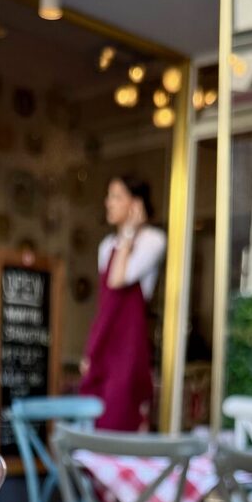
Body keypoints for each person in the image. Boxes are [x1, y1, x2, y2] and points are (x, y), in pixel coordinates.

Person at [79, 175, 167, 431]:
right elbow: (105, 303)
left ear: (135, 204)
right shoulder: (107, 245)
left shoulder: (153, 240)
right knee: (94, 415)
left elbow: (118, 279)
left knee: (120, 415)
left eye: (116, 196)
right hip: (104, 339)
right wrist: (91, 348)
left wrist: (128, 233)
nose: (108, 203)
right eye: (109, 196)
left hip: (128, 347)